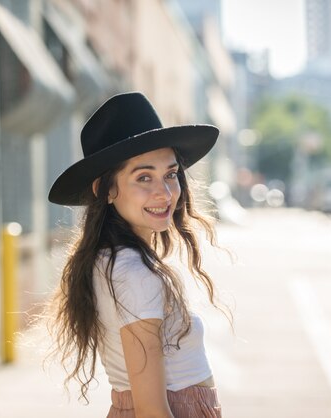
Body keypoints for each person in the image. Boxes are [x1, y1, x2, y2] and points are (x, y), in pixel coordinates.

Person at [46, 92, 231, 417]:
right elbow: (151, 411)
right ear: (106, 188)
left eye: (171, 174)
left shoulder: (113, 260)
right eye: (144, 177)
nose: (164, 192)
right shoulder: (133, 273)